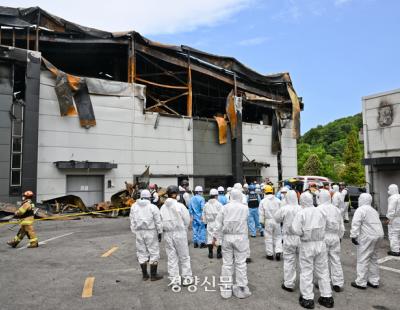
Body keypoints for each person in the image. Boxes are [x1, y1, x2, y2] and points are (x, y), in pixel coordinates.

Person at [292, 192, 334, 309]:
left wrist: (303, 234)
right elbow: (328, 224)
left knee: (306, 271)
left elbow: (295, 229)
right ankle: (327, 297)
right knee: (323, 270)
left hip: (307, 244)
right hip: (320, 243)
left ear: (302, 201)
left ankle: (307, 298)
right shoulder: (321, 211)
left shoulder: (301, 213)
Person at [213, 188, 251, 299]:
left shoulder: (224, 208)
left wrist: (215, 238)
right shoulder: (245, 208)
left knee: (227, 263)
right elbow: (247, 220)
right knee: (240, 263)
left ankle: (226, 289)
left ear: (230, 196)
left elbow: (218, 224)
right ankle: (241, 288)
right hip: (240, 237)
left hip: (227, 238)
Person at [160, 185, 193, 285]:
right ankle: (187, 278)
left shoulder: (162, 207)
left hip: (168, 234)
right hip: (179, 233)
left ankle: (174, 280)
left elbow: (160, 221)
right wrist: (184, 229)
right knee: (184, 257)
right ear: (175, 194)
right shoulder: (180, 206)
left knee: (171, 257)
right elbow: (187, 220)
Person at [350, 193, 384, 290]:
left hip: (368, 236)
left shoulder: (360, 210)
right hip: (379, 235)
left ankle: (361, 282)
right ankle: (374, 281)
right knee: (374, 258)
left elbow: (356, 223)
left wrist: (353, 236)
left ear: (362, 199)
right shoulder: (373, 210)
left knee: (363, 259)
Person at [129, 189, 163, 281]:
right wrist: (160, 232)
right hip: (151, 232)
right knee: (154, 252)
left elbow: (132, 220)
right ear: (149, 197)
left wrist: (135, 231)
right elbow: (158, 221)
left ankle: (145, 275)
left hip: (139, 232)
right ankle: (153, 275)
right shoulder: (153, 207)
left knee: (141, 252)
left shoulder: (134, 207)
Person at [273, 190, 302, 292]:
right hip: (301, 238)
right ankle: (305, 283)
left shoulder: (284, 209)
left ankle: (289, 284)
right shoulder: (302, 208)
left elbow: (276, 219)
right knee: (304, 262)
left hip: (289, 238)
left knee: (289, 261)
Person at [317, 189, 345, 292]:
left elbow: (317, 225)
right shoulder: (336, 209)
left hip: (323, 237)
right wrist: (340, 236)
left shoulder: (319, 209)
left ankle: (324, 282)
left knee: (322, 261)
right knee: (335, 260)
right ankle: (337, 282)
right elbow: (341, 225)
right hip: (335, 237)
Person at [259, 185, 283, 260]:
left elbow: (261, 213)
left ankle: (270, 254)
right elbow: (281, 211)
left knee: (268, 237)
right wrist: (281, 221)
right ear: (272, 191)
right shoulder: (278, 200)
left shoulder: (263, 201)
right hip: (277, 220)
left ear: (265, 191)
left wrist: (262, 222)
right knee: (278, 236)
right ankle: (278, 251)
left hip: (268, 221)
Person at [202, 189, 223, 258]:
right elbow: (222, 214)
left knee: (209, 237)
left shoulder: (206, 205)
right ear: (216, 195)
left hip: (209, 223)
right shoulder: (219, 204)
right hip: (218, 223)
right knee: (219, 237)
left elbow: (204, 214)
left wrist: (205, 222)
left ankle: (210, 253)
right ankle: (218, 253)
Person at [386, 184, 400, 256]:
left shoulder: (392, 198)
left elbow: (391, 209)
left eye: (389, 189)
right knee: (398, 234)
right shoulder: (399, 196)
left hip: (395, 219)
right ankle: (398, 248)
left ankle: (395, 250)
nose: (388, 191)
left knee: (393, 233)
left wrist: (389, 218)